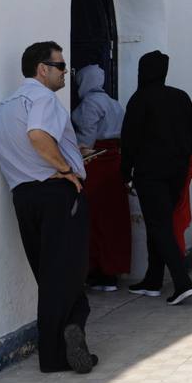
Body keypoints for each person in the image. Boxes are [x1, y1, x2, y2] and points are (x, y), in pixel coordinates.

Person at [0, 41, 95, 374]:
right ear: (42, 69)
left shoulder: (6, 106)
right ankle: (62, 344)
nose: (66, 72)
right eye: (61, 66)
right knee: (70, 271)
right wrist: (66, 169)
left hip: (24, 197)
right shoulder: (43, 97)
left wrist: (66, 151)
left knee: (50, 276)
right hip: (56, 195)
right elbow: (37, 135)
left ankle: (66, 338)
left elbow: (28, 142)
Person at [120, 50, 192, 306]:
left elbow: (129, 140)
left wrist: (126, 172)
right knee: (161, 223)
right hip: (176, 173)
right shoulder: (180, 97)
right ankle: (153, 280)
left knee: (159, 226)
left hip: (150, 174)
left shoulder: (140, 99)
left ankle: (182, 282)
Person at [71, 63, 130, 291]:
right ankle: (112, 270)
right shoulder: (114, 104)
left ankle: (99, 271)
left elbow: (86, 140)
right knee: (114, 219)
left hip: (96, 163)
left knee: (95, 218)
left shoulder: (90, 104)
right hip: (114, 163)